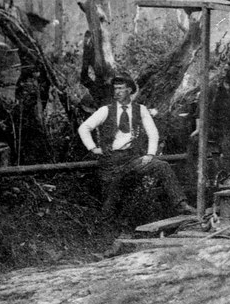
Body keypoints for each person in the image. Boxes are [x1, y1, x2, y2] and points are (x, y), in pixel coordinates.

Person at [78, 73, 196, 219]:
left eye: (121, 88)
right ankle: (106, 227)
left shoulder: (140, 110)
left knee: (162, 166)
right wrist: (93, 148)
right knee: (109, 206)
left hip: (132, 160)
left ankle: (181, 205)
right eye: (115, 89)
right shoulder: (106, 110)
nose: (117, 92)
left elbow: (153, 133)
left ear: (129, 90)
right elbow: (84, 128)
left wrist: (150, 154)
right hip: (111, 162)